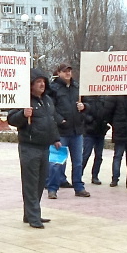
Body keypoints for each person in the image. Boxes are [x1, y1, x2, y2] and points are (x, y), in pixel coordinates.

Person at [7, 68, 61, 229]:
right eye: (38, 82)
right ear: (30, 85)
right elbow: (11, 119)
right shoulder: (23, 100)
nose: (42, 85)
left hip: (44, 147)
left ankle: (30, 213)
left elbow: (51, 121)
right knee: (30, 183)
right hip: (29, 147)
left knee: (40, 182)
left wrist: (56, 139)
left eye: (43, 82)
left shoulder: (47, 100)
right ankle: (33, 216)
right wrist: (23, 114)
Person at [47, 63, 90, 199]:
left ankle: (79, 187)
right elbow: (50, 108)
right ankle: (52, 188)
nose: (68, 73)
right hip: (61, 132)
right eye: (65, 71)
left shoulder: (77, 87)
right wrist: (60, 120)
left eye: (69, 71)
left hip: (77, 130)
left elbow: (88, 103)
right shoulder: (53, 89)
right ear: (59, 72)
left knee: (78, 162)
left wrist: (84, 107)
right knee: (57, 162)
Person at [102, 95, 127, 187]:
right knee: (122, 156)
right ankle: (124, 179)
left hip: (120, 128)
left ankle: (115, 179)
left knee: (118, 156)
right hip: (124, 129)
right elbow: (107, 113)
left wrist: (115, 123)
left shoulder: (114, 96)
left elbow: (107, 113)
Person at [81, 96, 108, 185]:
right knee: (86, 154)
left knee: (99, 155)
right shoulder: (86, 97)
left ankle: (95, 176)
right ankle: (79, 175)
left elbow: (108, 111)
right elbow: (82, 111)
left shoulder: (104, 98)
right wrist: (88, 119)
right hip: (89, 130)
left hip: (101, 130)